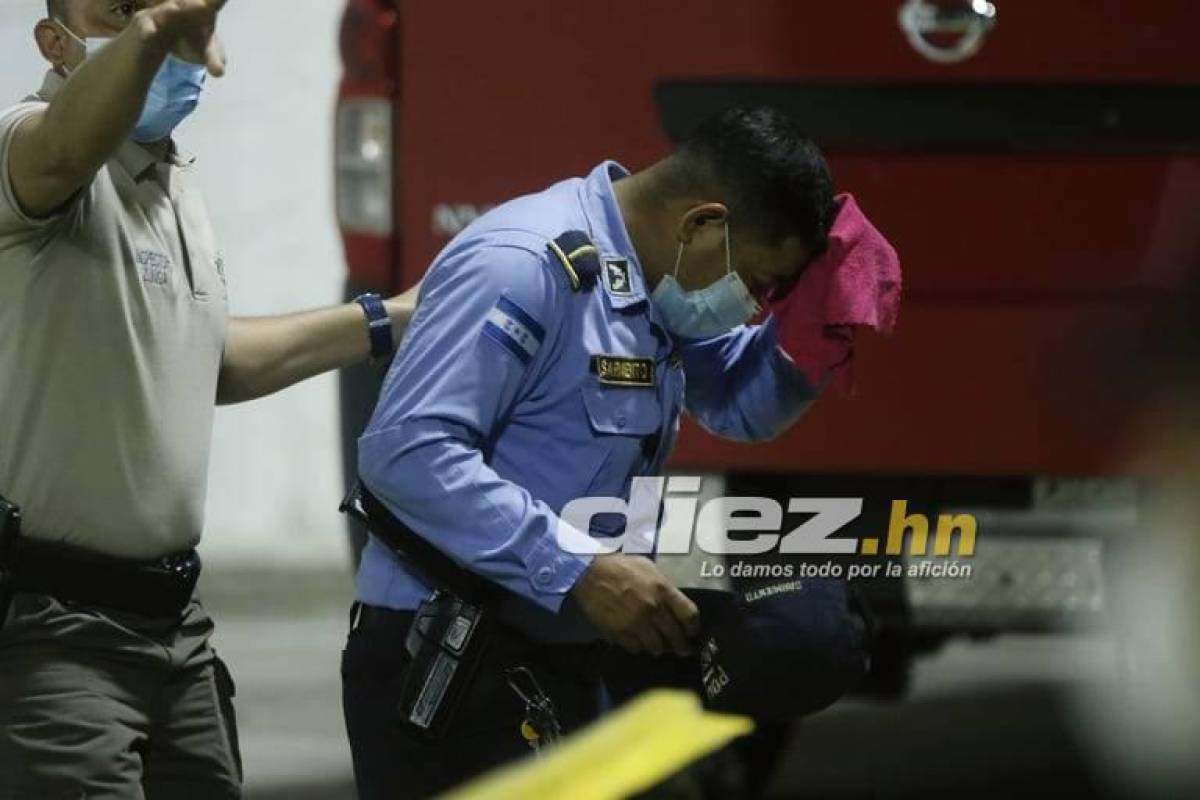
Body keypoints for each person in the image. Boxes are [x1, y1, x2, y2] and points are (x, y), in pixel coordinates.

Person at [343, 106, 842, 798]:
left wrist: (820, 325)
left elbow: (737, 402)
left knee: (819, 632)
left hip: (565, 656)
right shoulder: (524, 266)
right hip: (446, 662)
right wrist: (578, 569)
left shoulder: (648, 287)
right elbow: (406, 450)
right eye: (756, 283)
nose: (753, 306)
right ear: (704, 224)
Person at [0, 1, 418, 798]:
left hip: (173, 630)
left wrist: (385, 318)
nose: (144, 25)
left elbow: (204, 359)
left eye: (158, 6)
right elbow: (62, 149)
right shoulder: (27, 146)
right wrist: (154, 35)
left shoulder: (168, 181)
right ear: (55, 43)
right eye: (116, 11)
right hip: (53, 635)